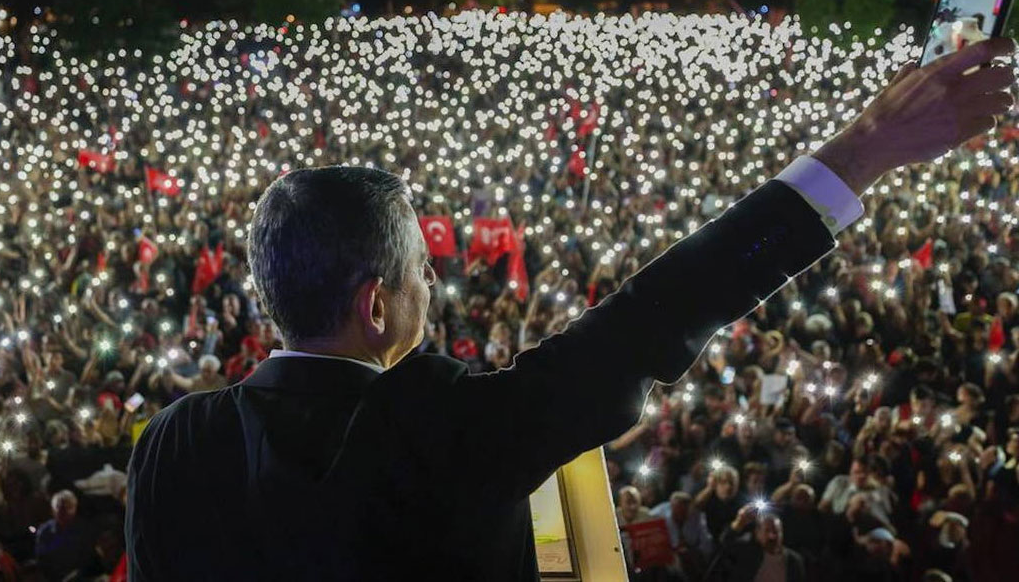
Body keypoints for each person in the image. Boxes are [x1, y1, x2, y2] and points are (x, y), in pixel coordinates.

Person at [125, 38, 1019, 580]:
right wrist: (864, 148)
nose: (437, 287)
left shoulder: (172, 443)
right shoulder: (448, 428)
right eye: (424, 272)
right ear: (375, 304)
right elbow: (656, 314)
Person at [713, 505, 805, 582]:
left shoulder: (793, 561)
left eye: (776, 531)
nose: (772, 536)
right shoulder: (747, 552)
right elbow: (725, 543)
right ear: (757, 532)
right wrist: (739, 522)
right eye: (767, 531)